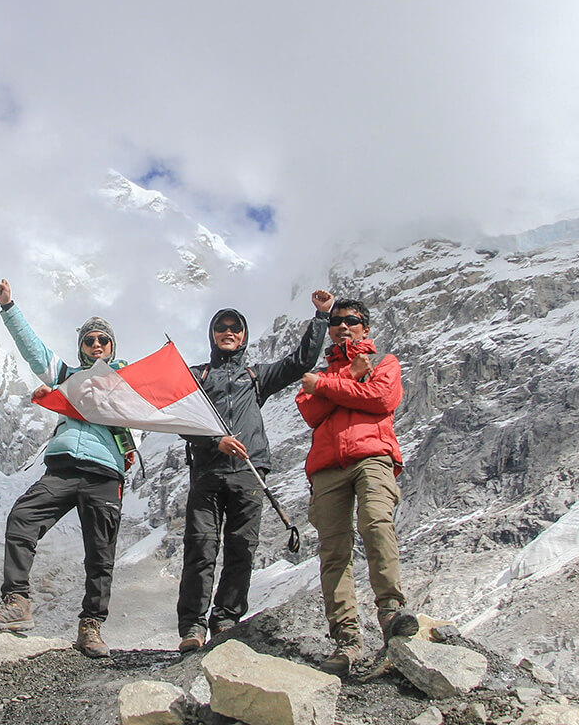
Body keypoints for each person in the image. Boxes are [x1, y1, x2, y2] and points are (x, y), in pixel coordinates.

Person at [0, 278, 136, 659]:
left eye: (103, 340)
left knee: (101, 554)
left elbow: (165, 395)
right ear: (80, 347)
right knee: (23, 517)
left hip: (105, 474)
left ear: (112, 347)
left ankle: (91, 627)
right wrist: (9, 307)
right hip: (62, 469)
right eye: (89, 340)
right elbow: (34, 351)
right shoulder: (66, 379)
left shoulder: (128, 383)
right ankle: (17, 603)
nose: (96, 345)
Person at [176, 290, 334, 653]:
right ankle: (193, 626)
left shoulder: (256, 375)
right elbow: (179, 420)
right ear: (212, 334)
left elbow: (300, 362)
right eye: (221, 327)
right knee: (200, 548)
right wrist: (215, 441)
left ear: (244, 336)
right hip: (207, 472)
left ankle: (226, 620)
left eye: (235, 328)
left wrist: (321, 316)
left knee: (241, 547)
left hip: (249, 471)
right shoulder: (197, 375)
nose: (228, 332)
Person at [295, 298, 418, 676]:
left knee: (376, 523)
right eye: (336, 321)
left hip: (372, 457)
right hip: (328, 467)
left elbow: (381, 399)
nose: (342, 326)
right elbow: (311, 412)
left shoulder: (385, 363)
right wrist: (349, 378)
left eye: (351, 320)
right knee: (334, 550)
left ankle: (391, 613)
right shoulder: (321, 374)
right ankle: (347, 639)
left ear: (366, 327)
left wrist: (327, 387)